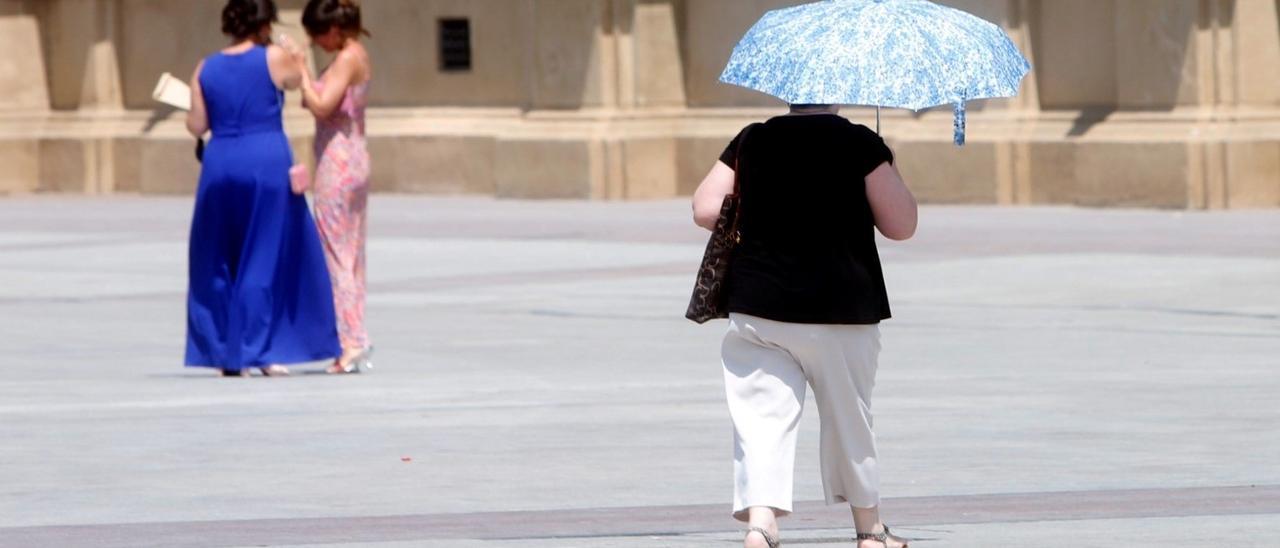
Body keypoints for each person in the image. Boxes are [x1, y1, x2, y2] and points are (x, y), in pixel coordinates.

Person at [691, 104, 918, 548]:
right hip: (841, 307)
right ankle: (870, 531)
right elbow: (902, 225)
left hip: (759, 305)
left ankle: (761, 523)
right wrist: (888, 165)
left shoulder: (752, 139)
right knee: (849, 417)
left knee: (760, 417)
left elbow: (704, 209)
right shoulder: (860, 144)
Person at [184, 0, 341, 377]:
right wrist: (298, 57)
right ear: (264, 24)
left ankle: (225, 353)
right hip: (264, 161)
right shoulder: (273, 57)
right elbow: (295, 81)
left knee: (220, 258)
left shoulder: (205, 67)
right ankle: (259, 349)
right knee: (262, 254)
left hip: (220, 163)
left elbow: (196, 124)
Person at [289, 0, 374, 374]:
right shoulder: (356, 54)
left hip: (338, 163)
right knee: (351, 253)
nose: (315, 42)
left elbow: (323, 105)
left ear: (335, 30)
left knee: (337, 252)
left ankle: (351, 340)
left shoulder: (346, 59)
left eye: (317, 35)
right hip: (354, 157)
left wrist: (303, 72)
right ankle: (354, 335)